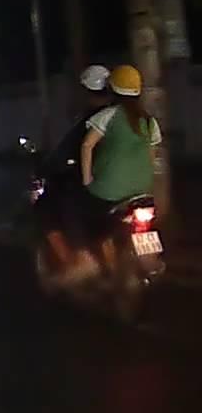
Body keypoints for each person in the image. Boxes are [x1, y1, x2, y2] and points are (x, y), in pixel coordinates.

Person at [77, 64, 162, 278]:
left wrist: (87, 180)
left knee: (89, 217)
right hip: (142, 189)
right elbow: (151, 157)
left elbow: (87, 145)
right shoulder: (150, 121)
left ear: (113, 89)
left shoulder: (107, 115)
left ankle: (99, 263)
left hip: (109, 190)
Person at [37, 65, 112, 277]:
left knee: (56, 208)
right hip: (132, 185)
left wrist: (50, 167)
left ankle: (80, 258)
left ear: (86, 92)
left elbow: (72, 149)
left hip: (99, 186)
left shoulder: (91, 121)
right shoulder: (124, 116)